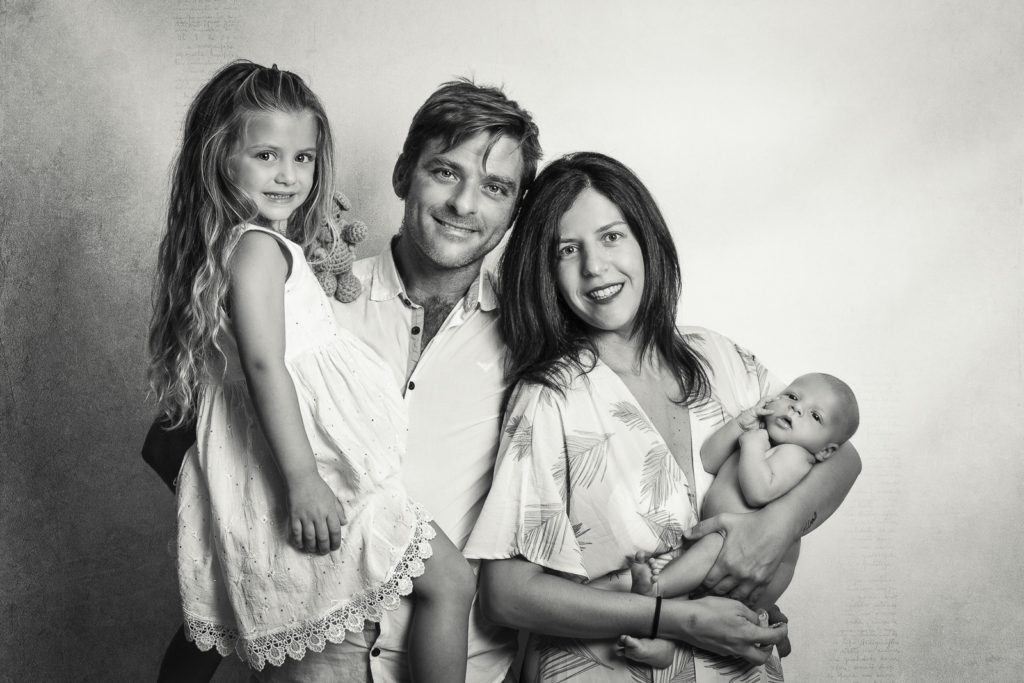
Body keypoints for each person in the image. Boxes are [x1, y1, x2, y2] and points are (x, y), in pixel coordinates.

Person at [144, 75, 544, 682]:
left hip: (463, 661)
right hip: (313, 663)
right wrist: (271, 511)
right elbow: (181, 438)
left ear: (516, 207)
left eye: (495, 187)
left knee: (449, 580)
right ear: (403, 174)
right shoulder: (314, 298)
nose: (465, 204)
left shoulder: (534, 341)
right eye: (445, 172)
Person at [464, 152, 863, 682]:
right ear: (547, 271)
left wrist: (777, 528)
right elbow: (507, 596)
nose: (594, 267)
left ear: (645, 239)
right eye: (567, 249)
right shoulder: (550, 397)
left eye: (611, 236)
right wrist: (678, 619)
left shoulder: (717, 357)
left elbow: (843, 453)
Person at [624, 372, 860, 667]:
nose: (796, 408)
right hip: (723, 545)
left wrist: (751, 445)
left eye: (815, 415)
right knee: (693, 593)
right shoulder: (762, 436)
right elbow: (708, 459)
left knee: (711, 547)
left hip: (742, 555)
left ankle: (655, 591)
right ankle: (663, 646)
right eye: (792, 396)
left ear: (826, 450)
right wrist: (740, 425)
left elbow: (759, 492)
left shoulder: (796, 456)